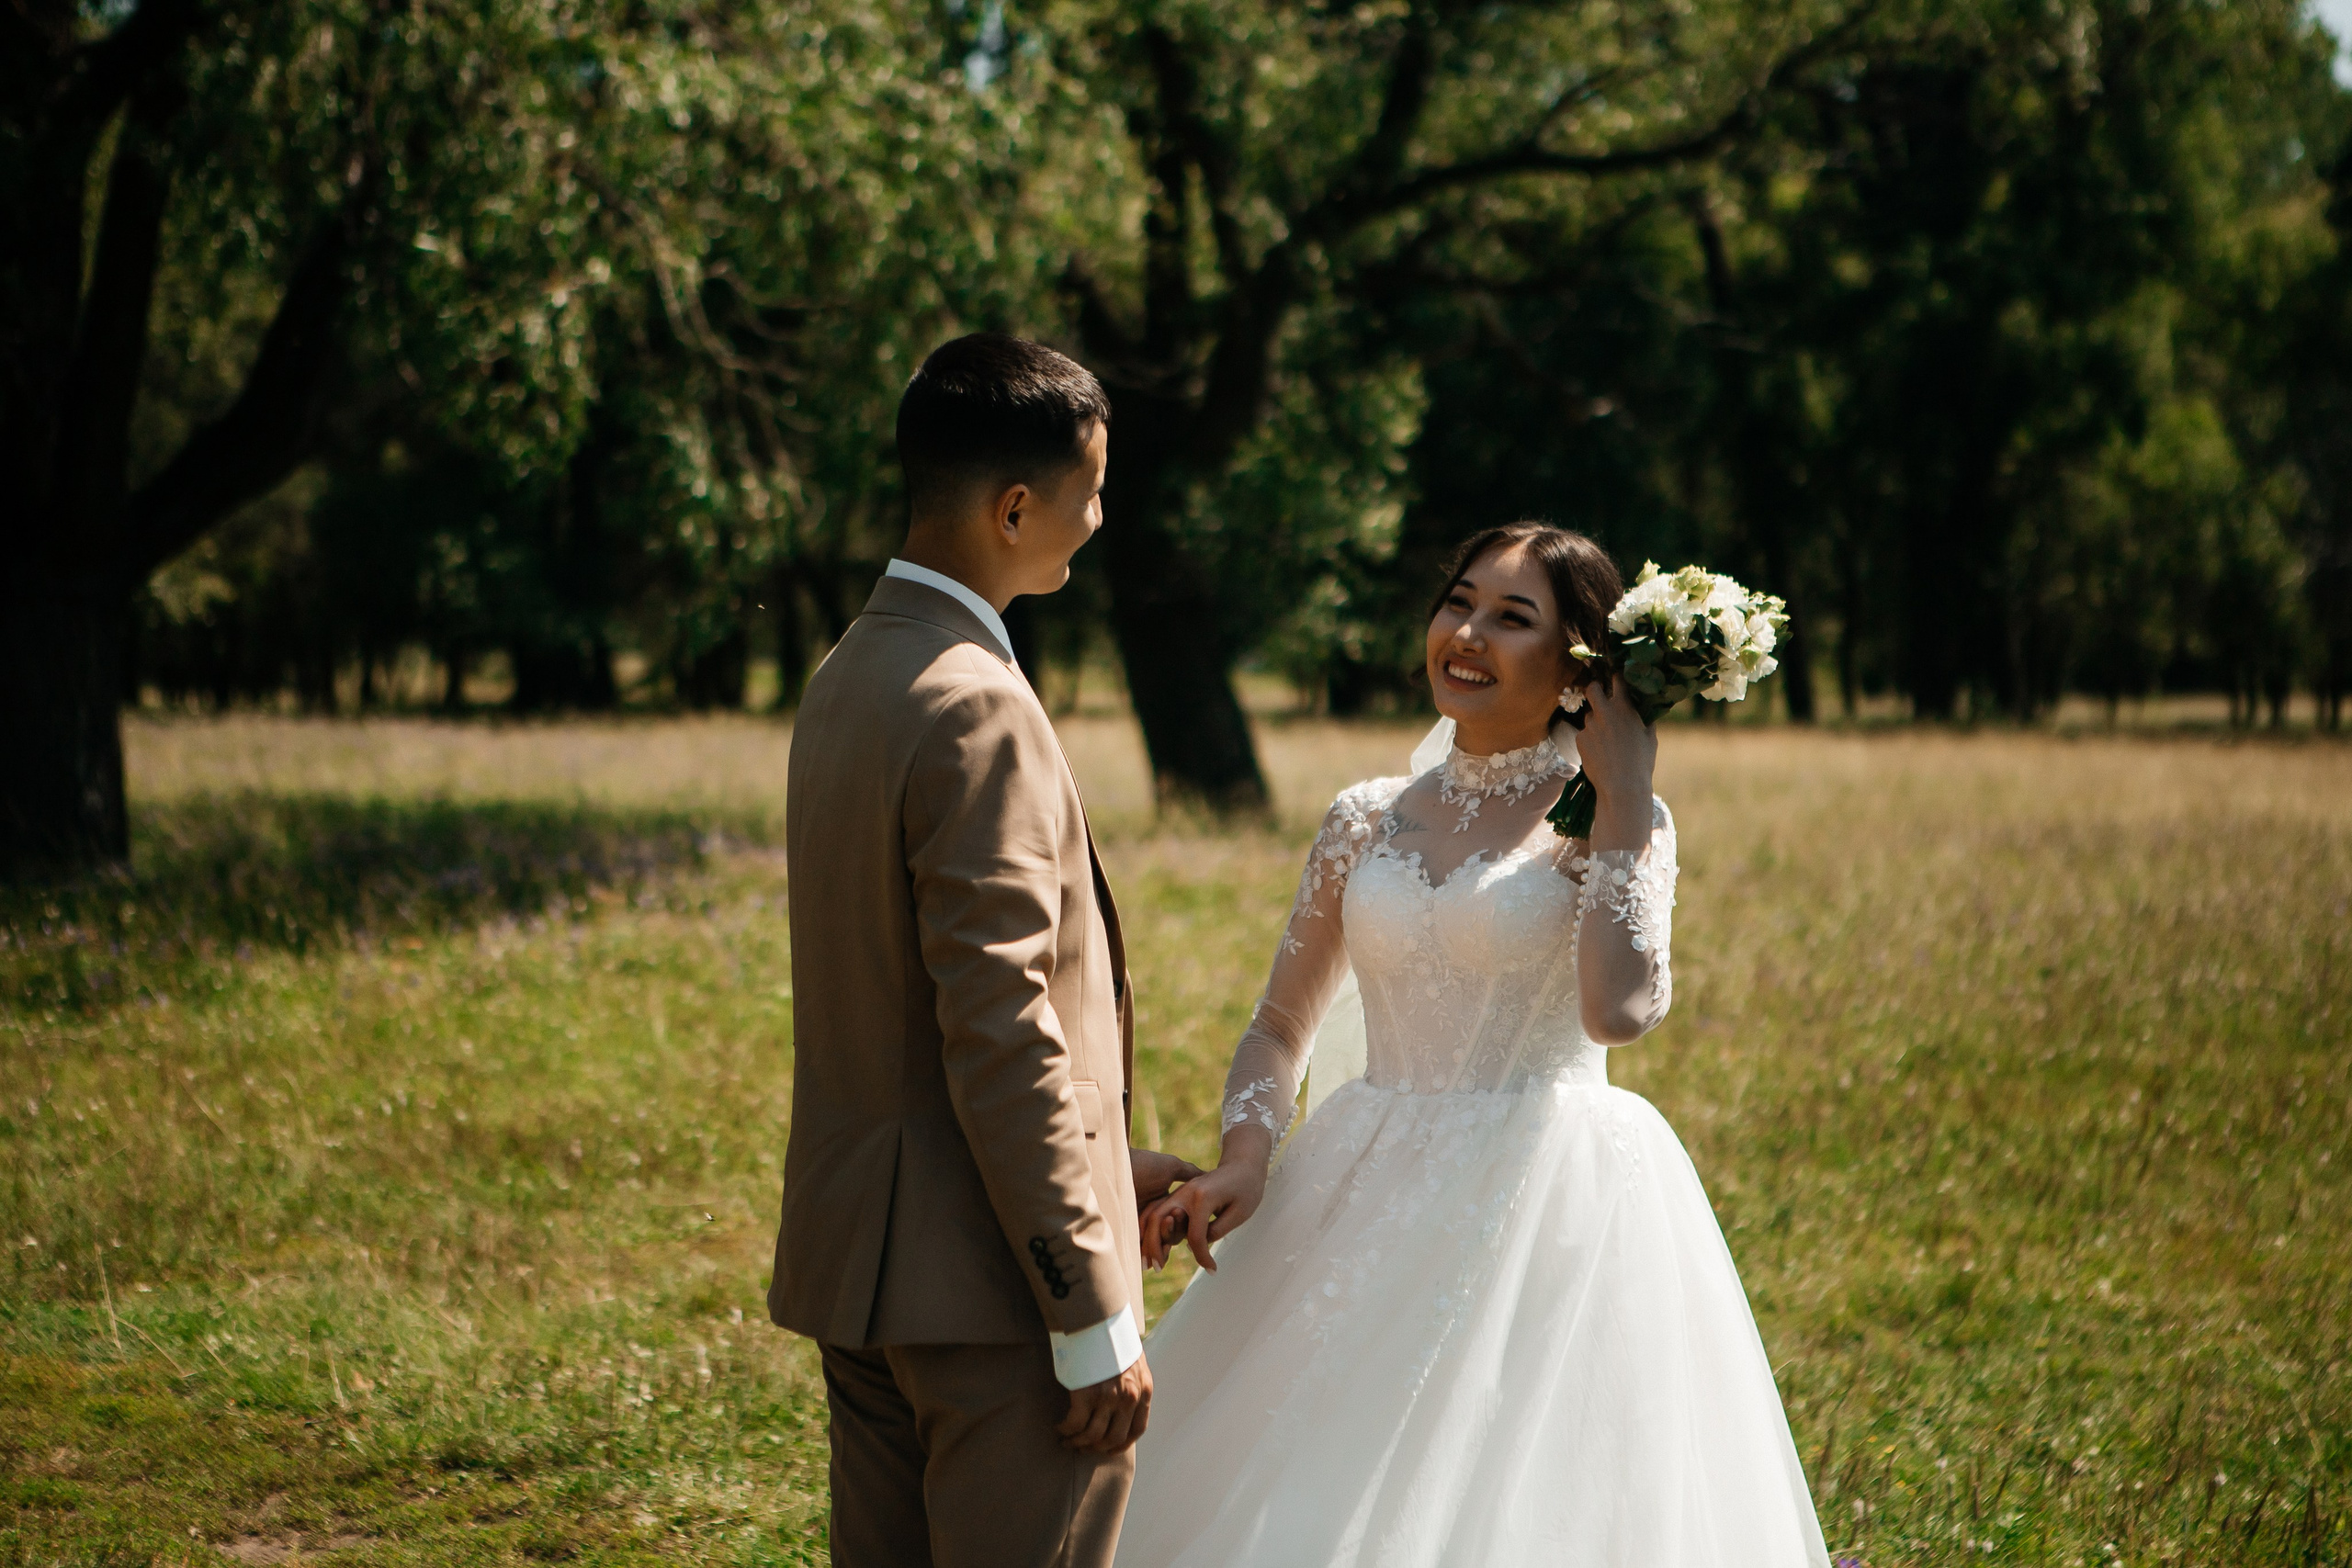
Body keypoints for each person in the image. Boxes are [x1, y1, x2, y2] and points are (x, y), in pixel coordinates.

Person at [1115, 524, 1831, 1567]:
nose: (1467, 633)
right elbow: (1279, 1025)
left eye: (1512, 617)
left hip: (1544, 1194)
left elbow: (1618, 1012)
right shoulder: (1363, 817)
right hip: (1352, 1179)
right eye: (1457, 602)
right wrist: (1245, 1157)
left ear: (1579, 660)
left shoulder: (1614, 819)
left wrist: (1624, 795)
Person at [767, 333, 1198, 1568]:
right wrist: (1088, 1303)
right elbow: (999, 1022)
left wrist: (1111, 1159)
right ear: (1018, 506)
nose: (1100, 515)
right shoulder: (978, 701)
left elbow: (906, 999)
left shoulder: (852, 670)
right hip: (998, 1292)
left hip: (868, 1273)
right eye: (1092, 489)